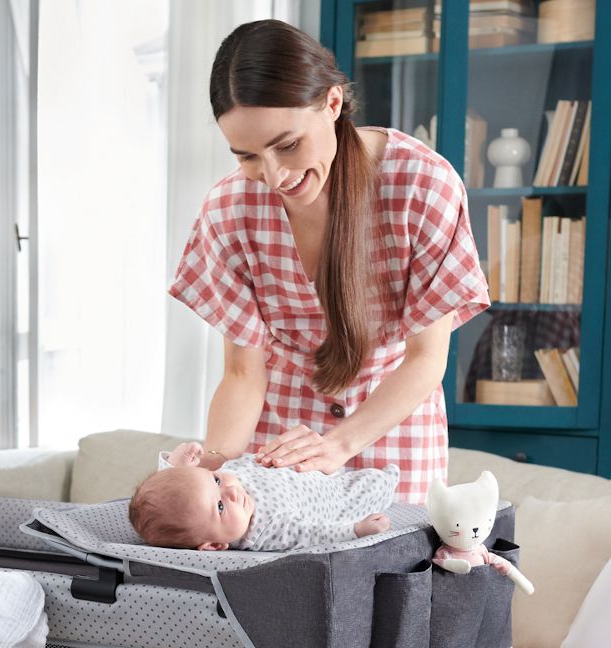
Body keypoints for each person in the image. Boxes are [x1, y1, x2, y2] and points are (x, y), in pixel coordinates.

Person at [169, 19, 490, 505]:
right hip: (280, 456)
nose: (273, 175)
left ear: (333, 103)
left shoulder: (422, 185)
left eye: (287, 145)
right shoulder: (229, 210)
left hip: (394, 446)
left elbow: (426, 359)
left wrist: (340, 443)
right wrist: (209, 470)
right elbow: (242, 374)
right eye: (247, 156)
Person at [129, 439, 394, 551]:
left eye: (217, 479)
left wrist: (175, 466)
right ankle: (388, 481)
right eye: (220, 508)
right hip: (333, 498)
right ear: (214, 546)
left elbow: (178, 491)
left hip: (307, 464)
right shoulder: (264, 530)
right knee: (376, 485)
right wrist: (356, 530)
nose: (231, 491)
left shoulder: (216, 490)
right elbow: (313, 536)